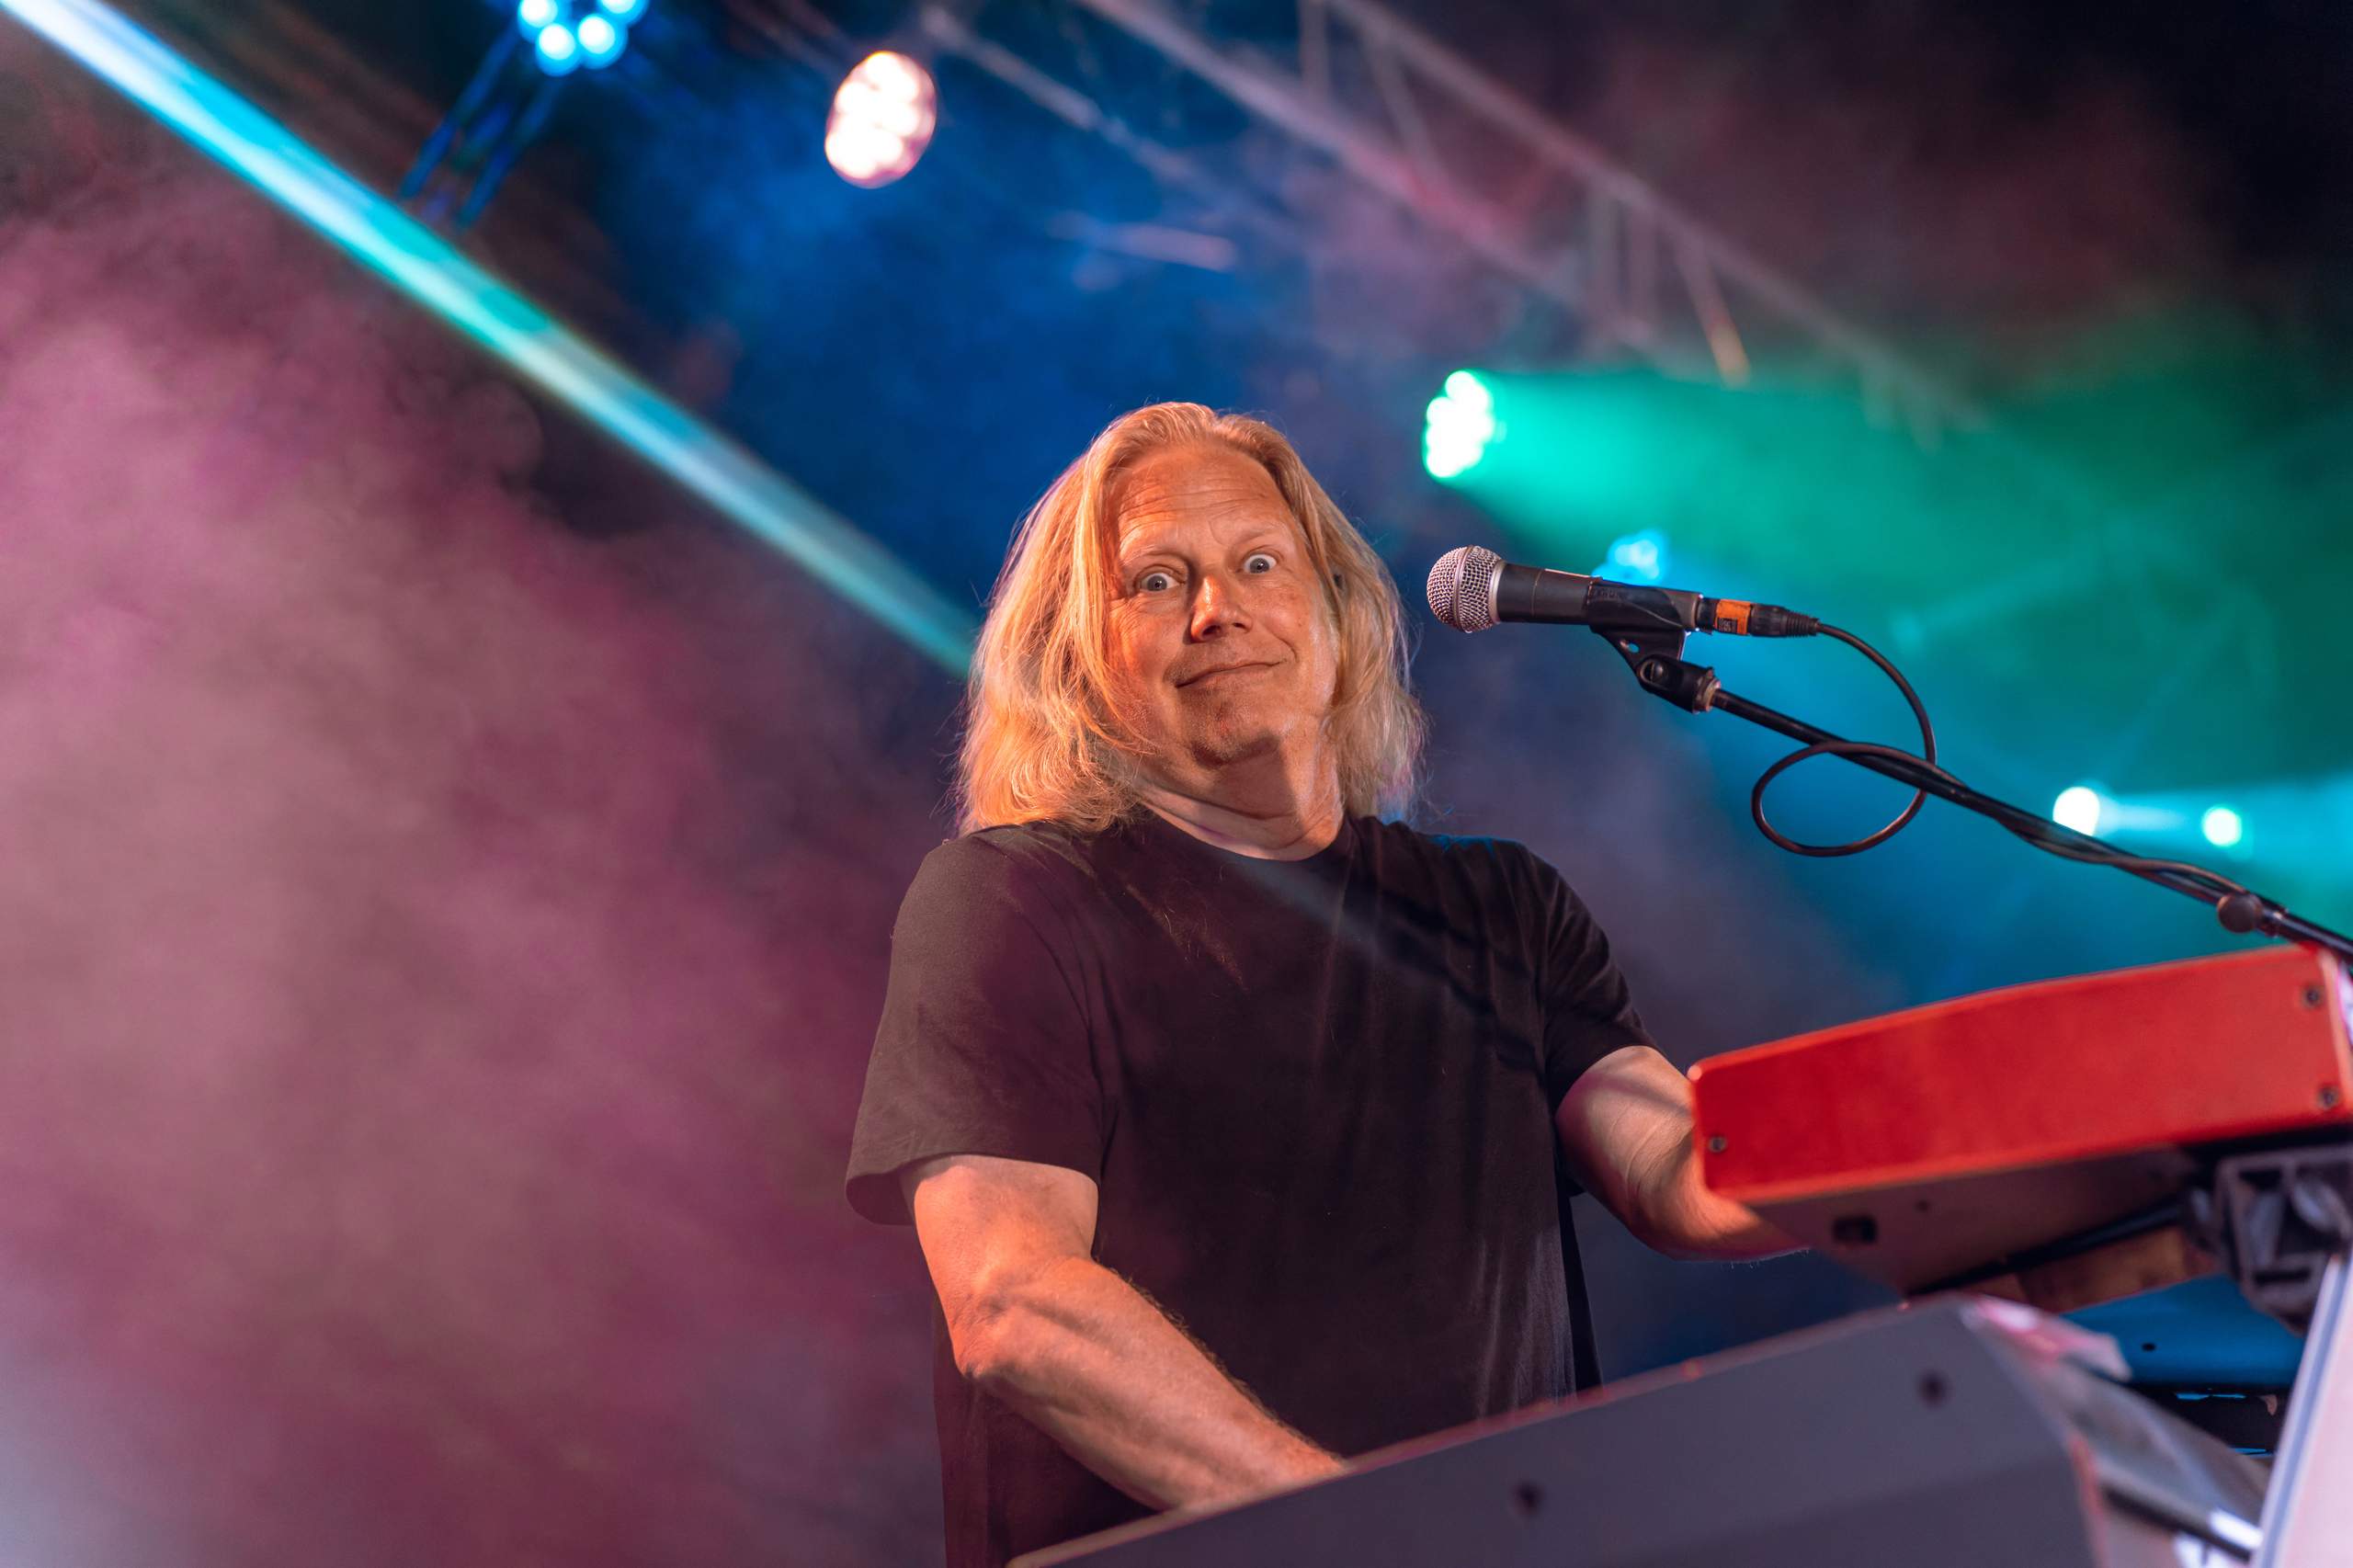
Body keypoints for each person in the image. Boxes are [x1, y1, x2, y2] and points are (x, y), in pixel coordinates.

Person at [844, 403, 1791, 1568]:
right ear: (1077, 656)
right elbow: (1013, 1301)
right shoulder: (1013, 899)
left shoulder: (1503, 906)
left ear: (1340, 614)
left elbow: (1683, 1170)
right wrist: (1368, 1528)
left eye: (1256, 562)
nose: (1216, 609)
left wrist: (1987, 1163)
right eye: (1153, 580)